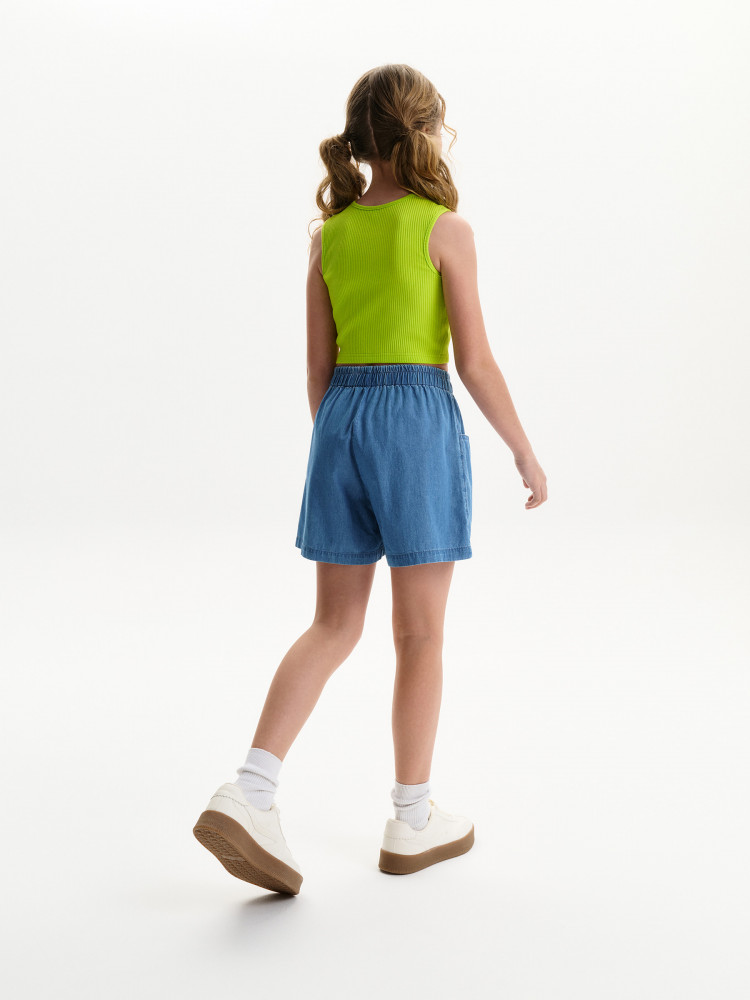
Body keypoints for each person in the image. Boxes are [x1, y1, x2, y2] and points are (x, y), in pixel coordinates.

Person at [193, 63, 548, 895]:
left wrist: (342, 447)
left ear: (359, 139)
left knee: (332, 624)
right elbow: (476, 362)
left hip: (340, 423)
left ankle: (250, 790)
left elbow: (316, 371)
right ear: (423, 133)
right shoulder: (446, 230)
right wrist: (523, 451)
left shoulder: (329, 237)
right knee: (418, 635)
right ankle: (412, 817)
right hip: (416, 422)